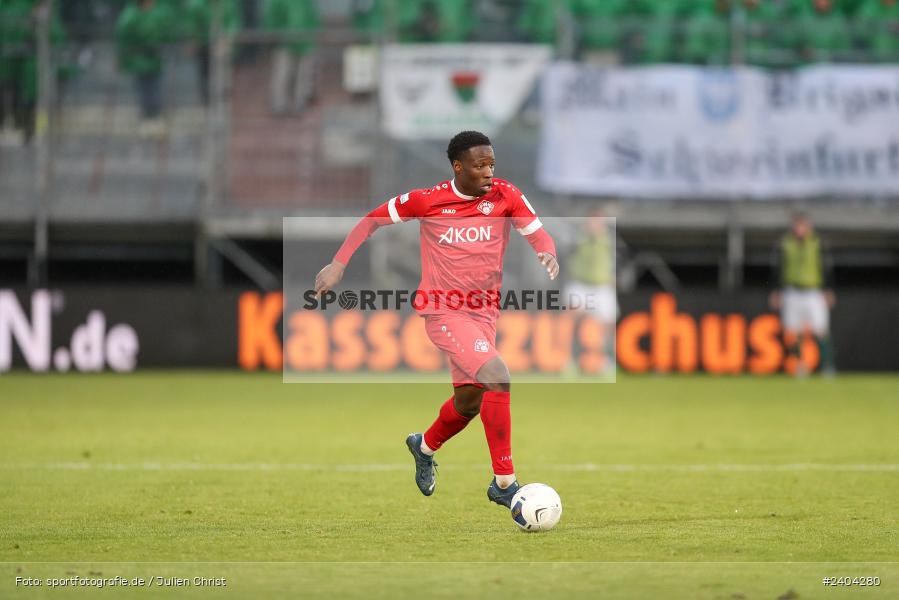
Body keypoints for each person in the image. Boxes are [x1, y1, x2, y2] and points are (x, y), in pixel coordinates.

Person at [314, 131, 559, 508]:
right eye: (480, 166)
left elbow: (538, 232)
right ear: (458, 167)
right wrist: (338, 262)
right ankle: (505, 484)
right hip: (443, 311)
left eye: (492, 164)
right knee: (497, 377)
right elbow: (371, 220)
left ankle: (423, 447)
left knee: (469, 402)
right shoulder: (426, 201)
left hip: (484, 314)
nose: (489, 172)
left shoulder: (505, 195)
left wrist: (547, 253)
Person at [769, 213, 836, 376]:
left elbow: (826, 267)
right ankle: (800, 365)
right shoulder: (785, 244)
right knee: (793, 331)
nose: (800, 229)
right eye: (797, 226)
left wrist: (828, 289)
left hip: (813, 291)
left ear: (809, 227)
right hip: (791, 291)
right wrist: (776, 291)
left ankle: (827, 366)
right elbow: (777, 268)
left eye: (803, 226)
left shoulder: (817, 243)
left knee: (820, 329)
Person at [564, 208, 618, 375]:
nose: (595, 224)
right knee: (572, 321)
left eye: (598, 221)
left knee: (608, 325)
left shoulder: (610, 239)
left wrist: (614, 278)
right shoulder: (577, 238)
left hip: (602, 286)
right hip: (580, 285)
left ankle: (605, 360)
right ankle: (570, 359)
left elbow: (619, 261)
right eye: (593, 220)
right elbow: (564, 256)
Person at [115, 0, 175, 134]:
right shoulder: (131, 16)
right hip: (139, 60)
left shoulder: (160, 12)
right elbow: (123, 38)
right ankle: (147, 119)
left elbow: (168, 31)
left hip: (156, 60)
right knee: (144, 91)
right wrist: (123, 59)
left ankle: (156, 117)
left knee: (156, 90)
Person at [263, 0, 318, 115]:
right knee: (283, 73)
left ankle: (298, 103)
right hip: (284, 43)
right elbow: (271, 19)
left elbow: (313, 16)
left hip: (304, 42)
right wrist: (275, 37)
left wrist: (314, 35)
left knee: (302, 74)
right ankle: (279, 105)